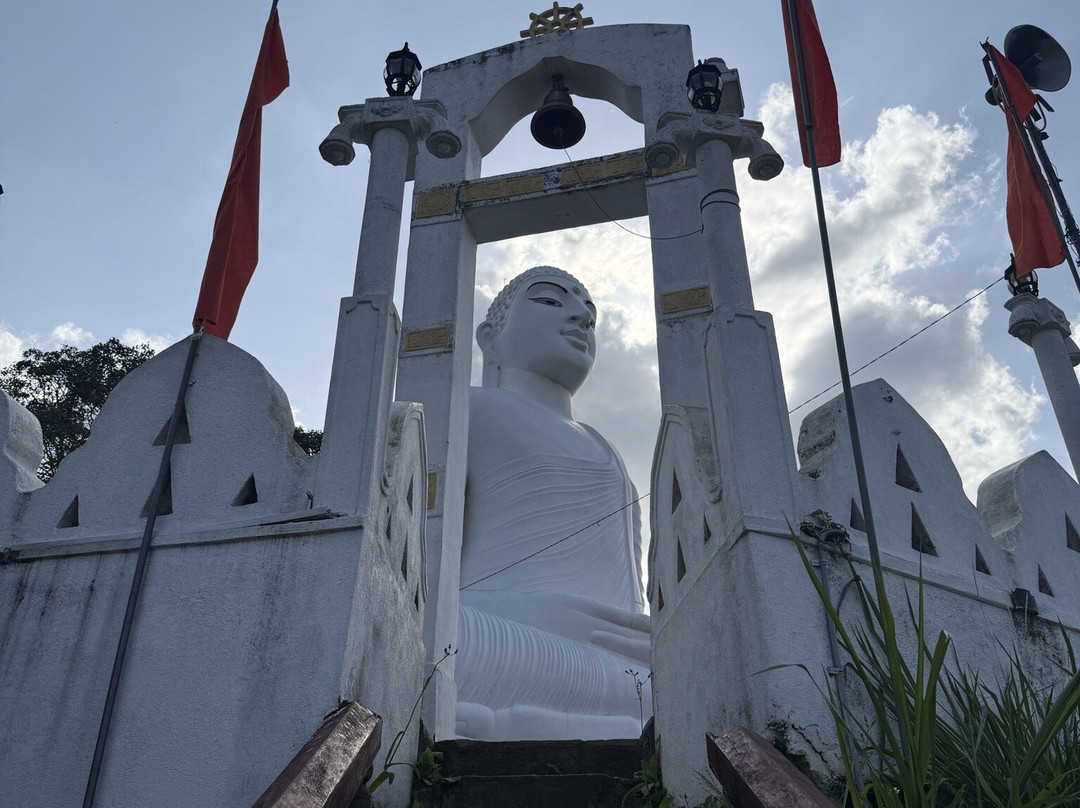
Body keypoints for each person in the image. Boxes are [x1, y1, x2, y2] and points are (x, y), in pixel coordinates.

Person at [455, 266, 651, 741]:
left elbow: (631, 601)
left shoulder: (609, 450)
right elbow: (418, 573)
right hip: (495, 639)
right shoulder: (466, 410)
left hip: (613, 663)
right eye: (550, 301)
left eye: (590, 314)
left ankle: (516, 722)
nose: (580, 318)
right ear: (490, 337)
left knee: (687, 671)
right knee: (438, 643)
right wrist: (536, 615)